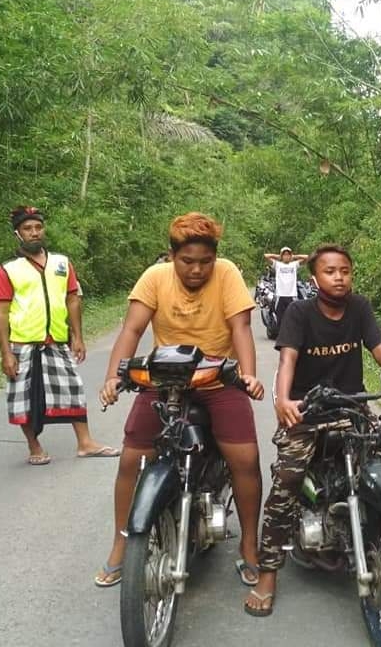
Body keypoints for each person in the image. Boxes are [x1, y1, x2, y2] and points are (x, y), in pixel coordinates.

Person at [244, 244, 381, 617]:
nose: (339, 277)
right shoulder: (299, 311)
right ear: (315, 278)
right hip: (306, 408)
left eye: (345, 270)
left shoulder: (360, 307)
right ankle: (268, 571)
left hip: (351, 405)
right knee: (288, 479)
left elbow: (379, 350)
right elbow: (288, 358)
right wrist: (282, 400)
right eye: (330, 271)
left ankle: (380, 538)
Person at [97, 212, 265, 588]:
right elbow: (133, 329)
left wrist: (248, 375)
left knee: (245, 459)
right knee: (130, 459)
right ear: (172, 256)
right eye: (188, 261)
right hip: (165, 378)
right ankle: (121, 544)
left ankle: (250, 546)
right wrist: (114, 376)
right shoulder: (155, 278)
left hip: (218, 378)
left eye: (205, 261)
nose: (197, 269)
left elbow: (241, 328)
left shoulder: (227, 274)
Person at [0, 206, 118, 466]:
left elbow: (73, 300)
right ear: (18, 233)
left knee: (73, 388)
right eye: (27, 228)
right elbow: (1, 313)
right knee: (22, 397)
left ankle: (85, 443)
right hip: (23, 343)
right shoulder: (7, 270)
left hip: (57, 341)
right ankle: (34, 446)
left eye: (38, 227)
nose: (34, 232)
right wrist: (6, 353)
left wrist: (78, 336)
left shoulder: (62, 263)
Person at [263, 247, 309, 327]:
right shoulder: (277, 264)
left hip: (292, 295)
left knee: (293, 317)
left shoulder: (294, 265)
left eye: (288, 254)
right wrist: (278, 257)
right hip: (280, 295)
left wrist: (294, 257)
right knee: (280, 318)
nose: (286, 256)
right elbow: (266, 256)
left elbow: (307, 257)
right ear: (282, 256)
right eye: (284, 255)